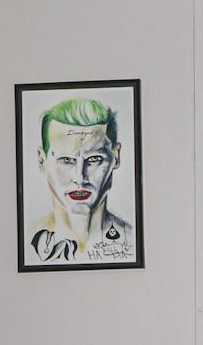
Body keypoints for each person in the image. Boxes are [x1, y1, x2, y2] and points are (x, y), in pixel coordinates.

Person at [28, 97, 134, 265]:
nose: (79, 178)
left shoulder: (134, 239)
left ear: (116, 156)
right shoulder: (26, 242)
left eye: (94, 159)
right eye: (66, 160)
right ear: (42, 160)